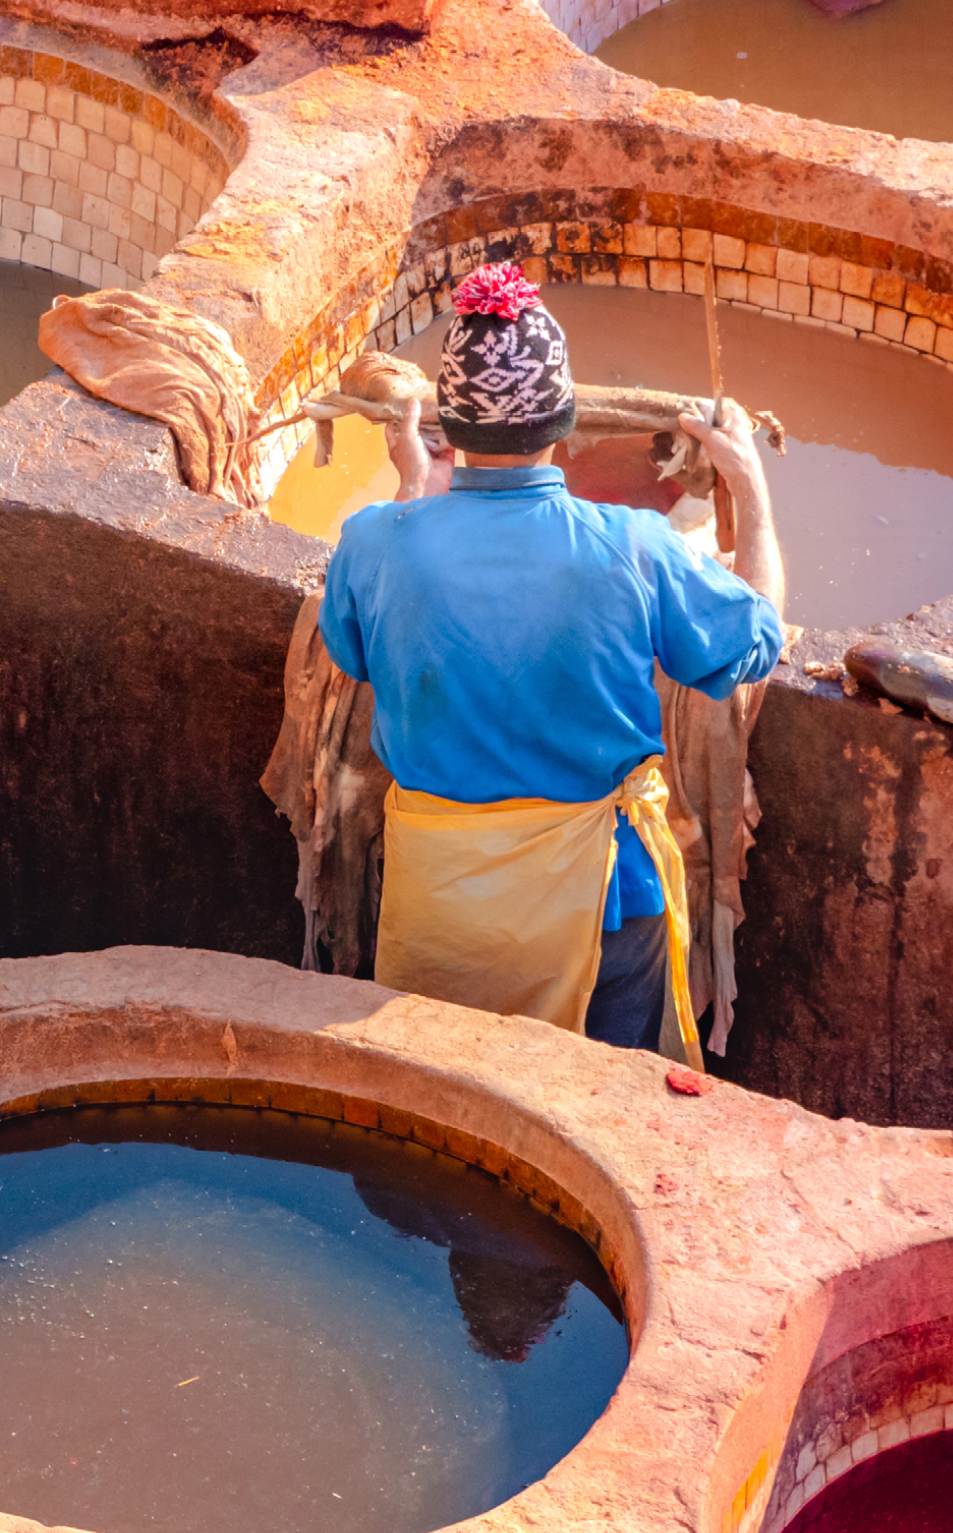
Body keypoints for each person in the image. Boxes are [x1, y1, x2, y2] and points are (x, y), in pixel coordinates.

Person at [318, 263, 788, 1058]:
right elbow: (757, 643)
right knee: (588, 1124)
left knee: (436, 1106)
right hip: (601, 904)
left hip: (440, 902)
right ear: (564, 428)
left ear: (446, 431)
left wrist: (408, 487)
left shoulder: (374, 541)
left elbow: (355, 651)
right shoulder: (634, 548)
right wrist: (753, 490)